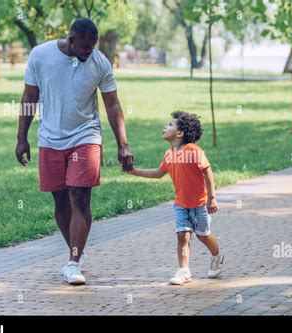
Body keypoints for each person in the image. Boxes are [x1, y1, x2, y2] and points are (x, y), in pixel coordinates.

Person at [15, 18, 133, 285]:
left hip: (85, 136)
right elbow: (28, 98)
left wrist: (122, 144)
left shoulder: (99, 62)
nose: (88, 51)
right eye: (84, 47)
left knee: (80, 198)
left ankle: (73, 261)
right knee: (60, 203)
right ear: (71, 39)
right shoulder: (41, 55)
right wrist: (21, 138)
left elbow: (113, 105)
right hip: (50, 139)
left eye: (92, 46)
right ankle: (76, 251)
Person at [129, 111, 223, 285]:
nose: (165, 127)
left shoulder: (194, 150)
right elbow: (158, 173)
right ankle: (184, 271)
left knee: (203, 236)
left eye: (170, 125)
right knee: (182, 235)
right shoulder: (168, 154)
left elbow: (207, 171)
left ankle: (217, 256)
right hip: (181, 204)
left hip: (200, 204)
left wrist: (212, 198)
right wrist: (135, 171)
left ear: (180, 133)